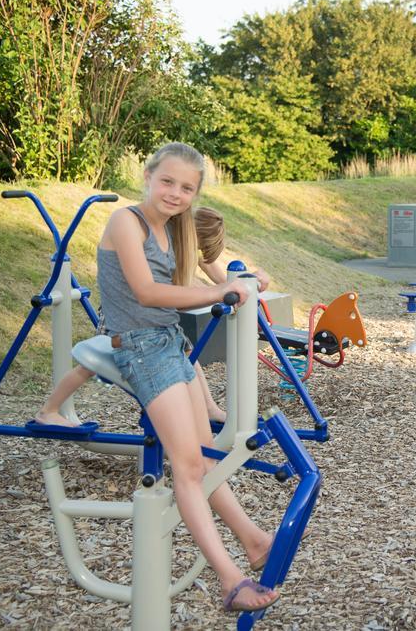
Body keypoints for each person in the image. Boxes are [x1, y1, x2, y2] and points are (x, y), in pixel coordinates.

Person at [93, 142, 278, 612]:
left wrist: (245, 279)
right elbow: (147, 291)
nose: (175, 193)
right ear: (149, 176)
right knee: (189, 468)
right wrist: (221, 289)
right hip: (141, 348)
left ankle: (255, 543)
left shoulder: (173, 228)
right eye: (168, 181)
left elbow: (200, 276)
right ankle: (230, 580)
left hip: (170, 343)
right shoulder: (126, 222)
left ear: (196, 194)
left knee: (207, 457)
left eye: (187, 188)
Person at [34, 206, 270, 427]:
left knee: (189, 354)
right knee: (90, 365)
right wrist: (214, 294)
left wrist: (251, 280)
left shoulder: (183, 243)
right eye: (197, 247)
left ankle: (209, 408)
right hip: (123, 318)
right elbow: (179, 291)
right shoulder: (160, 248)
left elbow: (223, 280)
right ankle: (48, 410)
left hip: (151, 322)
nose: (196, 253)